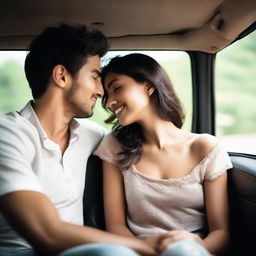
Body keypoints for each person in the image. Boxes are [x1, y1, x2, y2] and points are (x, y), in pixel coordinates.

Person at [0, 25, 160, 256]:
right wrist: (145, 247)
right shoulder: (7, 134)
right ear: (62, 76)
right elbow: (47, 233)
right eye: (95, 77)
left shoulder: (94, 136)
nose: (101, 91)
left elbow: (150, 145)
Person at [94, 53, 233, 256]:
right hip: (136, 251)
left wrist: (192, 248)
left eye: (117, 88)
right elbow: (116, 226)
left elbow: (220, 233)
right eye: (107, 96)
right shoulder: (115, 146)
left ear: (149, 86)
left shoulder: (206, 149)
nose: (109, 103)